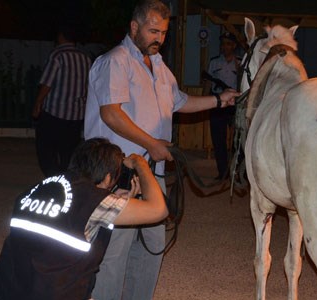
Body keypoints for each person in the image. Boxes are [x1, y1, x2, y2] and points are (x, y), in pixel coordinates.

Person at [83, 1, 240, 299]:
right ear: (134, 27)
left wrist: (221, 100)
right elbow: (111, 114)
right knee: (114, 252)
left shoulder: (160, 68)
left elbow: (182, 103)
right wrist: (152, 144)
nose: (159, 38)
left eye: (164, 33)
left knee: (151, 249)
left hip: (152, 177)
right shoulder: (115, 61)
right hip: (117, 176)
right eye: (153, 30)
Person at [0, 137, 167, 300]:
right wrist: (140, 163)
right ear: (108, 176)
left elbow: (72, 214)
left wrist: (115, 198)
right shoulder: (95, 201)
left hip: (2, 290)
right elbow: (158, 210)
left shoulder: (38, 188)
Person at [32, 23, 92, 177]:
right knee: (68, 152)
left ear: (61, 36)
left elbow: (47, 83)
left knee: (45, 148)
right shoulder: (85, 58)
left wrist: (38, 103)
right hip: (76, 115)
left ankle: (54, 178)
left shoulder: (57, 55)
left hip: (54, 113)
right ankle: (67, 179)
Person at [203, 31, 240, 179]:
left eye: (229, 44)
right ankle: (222, 173)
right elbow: (208, 82)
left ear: (234, 45)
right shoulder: (214, 62)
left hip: (235, 104)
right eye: (223, 43)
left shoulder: (240, 61)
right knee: (219, 140)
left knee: (238, 141)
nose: (225, 47)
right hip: (218, 103)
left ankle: (237, 172)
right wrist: (205, 102)